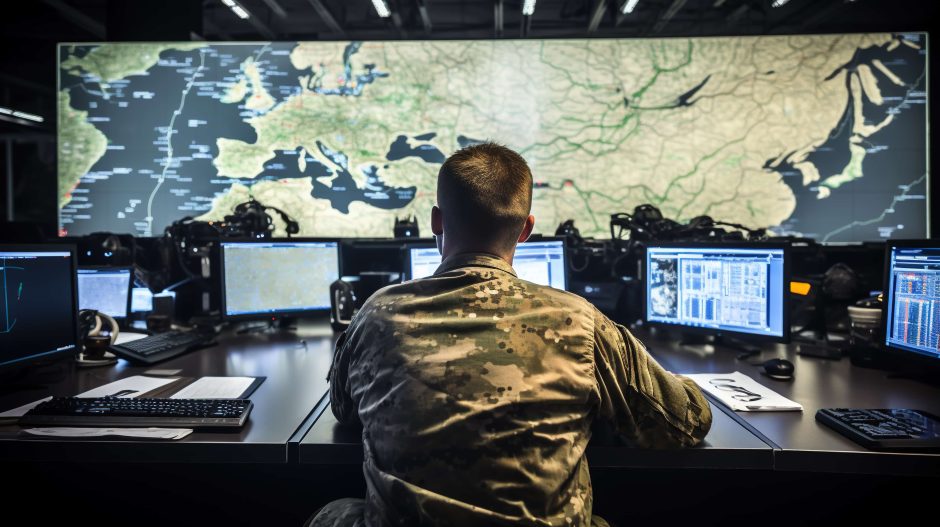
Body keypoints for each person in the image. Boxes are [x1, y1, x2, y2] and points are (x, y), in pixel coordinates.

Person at [313, 142, 712, 527]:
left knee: (335, 510)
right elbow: (684, 424)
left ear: (437, 220)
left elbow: (344, 410)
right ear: (526, 229)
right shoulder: (579, 321)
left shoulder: (379, 313)